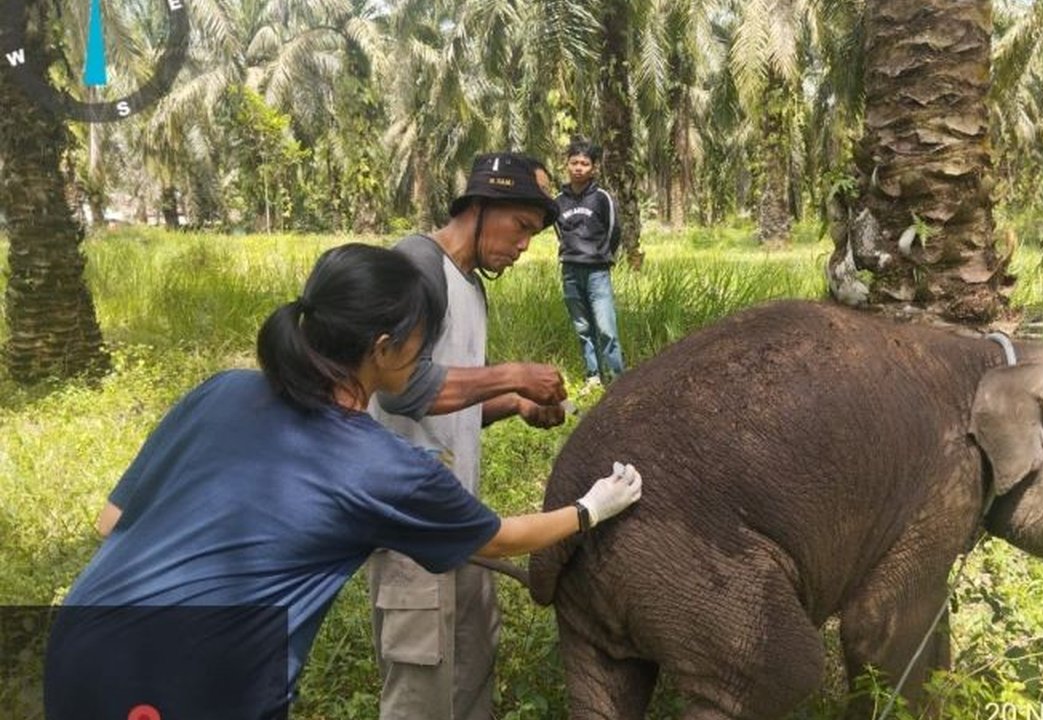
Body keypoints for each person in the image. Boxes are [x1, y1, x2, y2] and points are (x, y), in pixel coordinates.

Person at [47, 243, 642, 719]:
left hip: (79, 640)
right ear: (385, 349)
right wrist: (594, 507)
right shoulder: (382, 466)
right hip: (194, 680)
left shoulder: (221, 390)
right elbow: (502, 538)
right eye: (422, 341)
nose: (425, 355)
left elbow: (112, 522)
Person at [366, 152, 568, 720]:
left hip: (459, 516)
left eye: (533, 234)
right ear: (479, 207)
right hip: (409, 527)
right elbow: (399, 390)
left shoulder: (471, 288)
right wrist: (513, 374)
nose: (525, 245)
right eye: (521, 227)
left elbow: (446, 406)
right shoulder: (415, 264)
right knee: (419, 690)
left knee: (473, 668)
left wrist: (515, 404)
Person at [554, 139, 625, 386]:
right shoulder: (558, 201)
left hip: (597, 272)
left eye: (585, 163)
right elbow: (559, 232)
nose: (578, 168)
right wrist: (571, 254)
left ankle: (617, 380)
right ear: (567, 164)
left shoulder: (602, 198)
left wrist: (601, 255)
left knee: (606, 328)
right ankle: (593, 376)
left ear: (593, 168)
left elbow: (614, 230)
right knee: (583, 328)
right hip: (570, 271)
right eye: (574, 162)